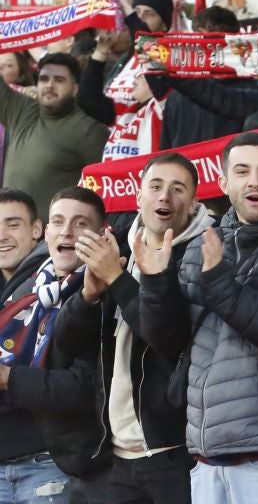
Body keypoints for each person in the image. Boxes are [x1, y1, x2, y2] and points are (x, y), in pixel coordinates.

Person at [138, 132, 258, 504]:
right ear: (224, 183)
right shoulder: (202, 245)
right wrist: (156, 283)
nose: (254, 181)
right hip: (207, 457)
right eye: (242, 171)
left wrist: (218, 283)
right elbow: (170, 342)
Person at [61, 152, 214, 504]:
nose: (165, 197)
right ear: (137, 196)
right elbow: (66, 343)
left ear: (193, 203)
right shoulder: (118, 250)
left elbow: (167, 337)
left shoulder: (203, 252)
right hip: (116, 457)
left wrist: (116, 278)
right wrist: (87, 296)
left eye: (178, 189)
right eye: (156, 186)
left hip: (173, 453)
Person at [0, 187, 108, 504]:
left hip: (51, 465)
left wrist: (9, 378)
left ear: (102, 234)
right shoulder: (23, 289)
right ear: (46, 231)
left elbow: (89, 388)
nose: (67, 231)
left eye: (80, 224)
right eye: (59, 221)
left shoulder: (105, 293)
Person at [0, 54, 109, 215]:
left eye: (59, 80)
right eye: (44, 79)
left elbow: (107, 188)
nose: (49, 85)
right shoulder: (22, 110)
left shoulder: (90, 132)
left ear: (75, 89)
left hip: (53, 236)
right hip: (6, 231)